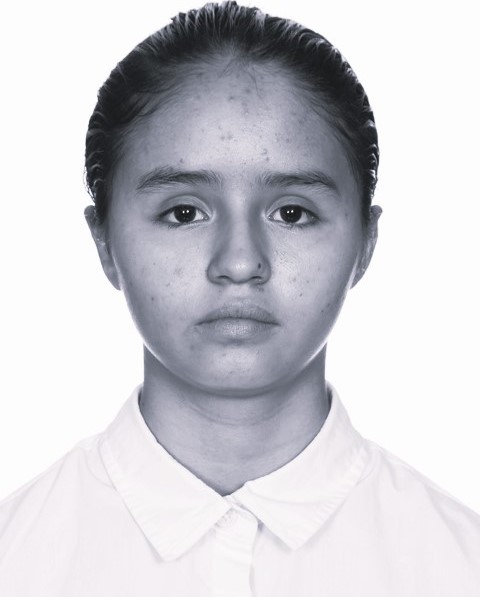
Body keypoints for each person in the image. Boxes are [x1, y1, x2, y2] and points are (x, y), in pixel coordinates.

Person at [0, 2, 479, 595]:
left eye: (292, 213)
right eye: (183, 213)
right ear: (104, 242)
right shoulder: (16, 561)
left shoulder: (460, 566)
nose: (239, 262)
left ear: (365, 242)